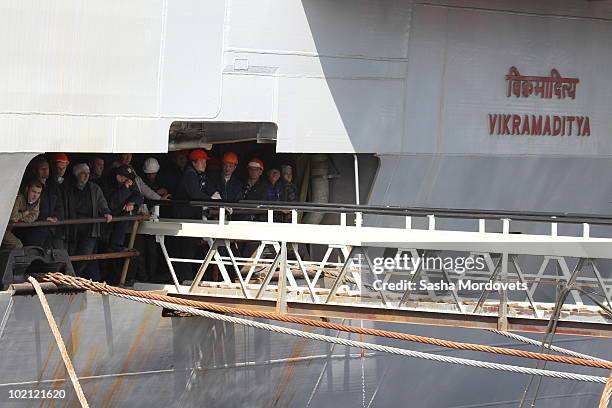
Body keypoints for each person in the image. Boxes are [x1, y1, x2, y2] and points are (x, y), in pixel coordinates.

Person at [65, 163, 113, 280]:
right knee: (71, 255)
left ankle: (74, 278)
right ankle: (71, 278)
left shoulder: (94, 188)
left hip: (90, 228)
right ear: (76, 175)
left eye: (88, 173)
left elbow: (102, 203)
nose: (86, 176)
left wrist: (106, 212)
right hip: (72, 228)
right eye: (83, 173)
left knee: (86, 255)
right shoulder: (68, 188)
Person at [20, 156, 63, 248]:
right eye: (42, 169)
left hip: (50, 231)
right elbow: (26, 208)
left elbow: (59, 206)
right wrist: (44, 218)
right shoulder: (29, 187)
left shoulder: (53, 187)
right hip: (33, 231)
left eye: (47, 169)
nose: (45, 171)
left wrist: (56, 217)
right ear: (35, 170)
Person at [104, 164, 143, 251]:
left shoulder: (129, 182)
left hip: (121, 227)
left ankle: (117, 245)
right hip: (106, 227)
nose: (130, 180)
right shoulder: (108, 184)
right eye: (127, 178)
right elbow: (112, 204)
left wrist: (132, 202)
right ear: (119, 177)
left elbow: (138, 195)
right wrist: (125, 188)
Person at [174, 149, 215, 219]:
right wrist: (212, 200)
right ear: (194, 163)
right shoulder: (190, 174)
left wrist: (215, 194)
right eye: (201, 162)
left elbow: (208, 187)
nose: (204, 165)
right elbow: (195, 194)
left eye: (205, 162)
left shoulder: (200, 174)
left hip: (191, 214)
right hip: (184, 215)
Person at [2, 180, 42, 249]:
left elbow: (34, 216)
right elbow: (13, 217)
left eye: (38, 193)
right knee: (18, 245)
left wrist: (20, 218)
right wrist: (25, 213)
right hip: (3, 227)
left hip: (11, 228)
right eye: (33, 192)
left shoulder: (37, 201)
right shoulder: (19, 198)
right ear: (27, 189)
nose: (35, 195)